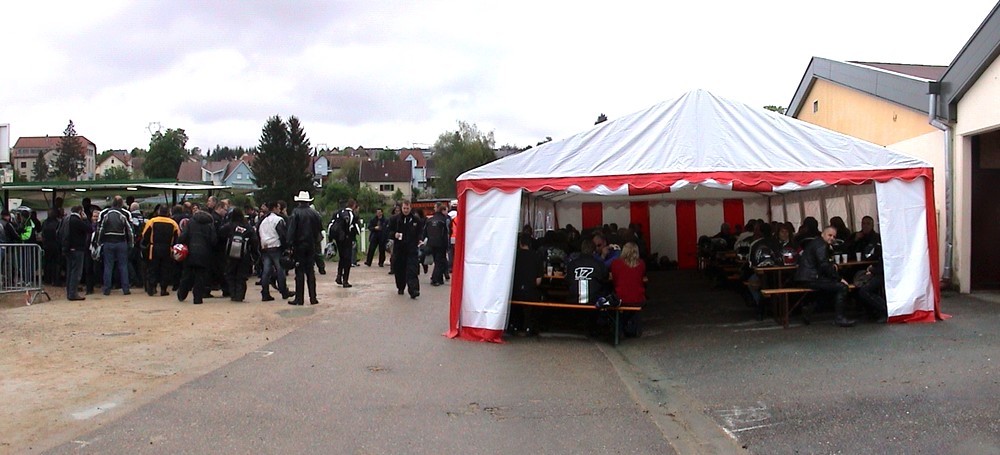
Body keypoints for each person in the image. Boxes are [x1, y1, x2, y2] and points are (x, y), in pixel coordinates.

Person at [794, 226, 855, 327]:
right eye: (829, 235)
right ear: (823, 234)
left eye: (834, 236)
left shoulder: (817, 243)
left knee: (829, 288)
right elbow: (824, 265)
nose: (832, 238)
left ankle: (809, 308)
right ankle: (840, 318)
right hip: (811, 278)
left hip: (807, 277)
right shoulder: (821, 245)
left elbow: (823, 264)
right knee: (842, 287)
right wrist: (839, 278)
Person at [286, 191, 323, 305]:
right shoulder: (314, 213)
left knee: (300, 272)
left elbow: (291, 231)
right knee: (310, 272)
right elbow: (319, 229)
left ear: (299, 201)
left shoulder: (295, 213)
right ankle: (313, 297)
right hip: (311, 245)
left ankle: (299, 298)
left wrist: (288, 245)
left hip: (299, 246)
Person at [94, 196, 134, 296]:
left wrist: (98, 242)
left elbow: (100, 229)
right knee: (123, 266)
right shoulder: (126, 213)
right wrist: (131, 244)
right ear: (121, 203)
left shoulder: (104, 213)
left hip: (108, 242)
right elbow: (130, 230)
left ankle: (107, 289)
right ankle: (126, 289)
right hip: (121, 242)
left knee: (108, 266)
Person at [177, 207, 216, 304]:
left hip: (190, 252)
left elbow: (183, 237)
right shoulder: (210, 224)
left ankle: (182, 294)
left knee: (186, 274)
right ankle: (197, 298)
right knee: (200, 276)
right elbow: (213, 240)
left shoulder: (190, 222)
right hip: (204, 254)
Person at [508, 232, 544, 334]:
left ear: (520, 243)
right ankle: (530, 326)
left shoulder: (514, 256)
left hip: (514, 293)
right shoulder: (537, 257)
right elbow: (538, 281)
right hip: (530, 293)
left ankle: (514, 325)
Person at [220, 208, 258, 302]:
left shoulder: (229, 226)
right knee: (241, 275)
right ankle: (240, 295)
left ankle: (233, 293)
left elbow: (220, 236)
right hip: (244, 254)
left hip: (230, 253)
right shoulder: (247, 227)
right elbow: (254, 241)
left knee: (230, 273)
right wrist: (255, 254)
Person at [140, 205, 180, 297]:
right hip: (167, 249)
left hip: (153, 248)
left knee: (153, 268)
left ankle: (152, 287)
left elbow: (145, 235)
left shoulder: (152, 221)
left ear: (158, 211)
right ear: (168, 212)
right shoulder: (173, 223)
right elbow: (178, 238)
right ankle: (163, 289)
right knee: (165, 269)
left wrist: (145, 246)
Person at [609, 242, 647, 337]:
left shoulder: (616, 263)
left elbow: (615, 280)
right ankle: (633, 328)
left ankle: (619, 329)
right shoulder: (641, 264)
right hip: (638, 299)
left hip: (620, 299)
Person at [387, 200, 424, 299]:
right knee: (399, 270)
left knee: (412, 270)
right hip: (399, 249)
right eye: (404, 208)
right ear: (401, 208)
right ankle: (400, 287)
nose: (406, 210)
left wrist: (420, 239)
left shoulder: (416, 220)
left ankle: (414, 290)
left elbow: (420, 232)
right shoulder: (395, 219)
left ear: (410, 208)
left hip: (411, 249)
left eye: (408, 208)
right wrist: (394, 234)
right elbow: (389, 231)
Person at [258, 201, 290, 302]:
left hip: (265, 247)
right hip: (276, 247)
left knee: (266, 271)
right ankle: (284, 291)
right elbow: (282, 235)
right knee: (280, 270)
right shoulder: (278, 220)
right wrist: (286, 247)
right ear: (275, 208)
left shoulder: (263, 221)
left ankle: (265, 292)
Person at [566, 238, 608, 305]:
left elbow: (568, 281)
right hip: (594, 303)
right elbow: (605, 280)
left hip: (574, 302)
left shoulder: (572, 264)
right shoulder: (599, 265)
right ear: (594, 251)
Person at [61, 206, 91, 301]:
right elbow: (89, 229)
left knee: (70, 271)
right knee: (76, 272)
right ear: (80, 211)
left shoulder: (66, 219)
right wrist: (86, 219)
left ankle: (69, 292)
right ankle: (73, 293)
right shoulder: (77, 221)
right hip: (77, 248)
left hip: (68, 249)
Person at [330, 199, 360, 288]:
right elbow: (356, 229)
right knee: (347, 259)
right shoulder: (351, 215)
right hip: (347, 239)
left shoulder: (338, 212)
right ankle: (345, 280)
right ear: (354, 206)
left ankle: (339, 276)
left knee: (342, 258)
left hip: (338, 239)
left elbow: (331, 224)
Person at [423, 202, 451, 286]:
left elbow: (425, 232)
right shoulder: (444, 220)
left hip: (431, 243)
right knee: (440, 262)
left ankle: (439, 278)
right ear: (442, 210)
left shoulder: (430, 220)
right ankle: (435, 278)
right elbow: (447, 233)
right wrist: (447, 245)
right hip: (441, 244)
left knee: (437, 261)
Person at [42, 208, 64, 286]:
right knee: (57, 263)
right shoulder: (58, 222)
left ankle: (47, 279)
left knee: (47, 263)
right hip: (56, 245)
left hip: (47, 245)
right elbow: (60, 234)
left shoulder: (45, 222)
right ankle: (56, 280)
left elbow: (43, 233)